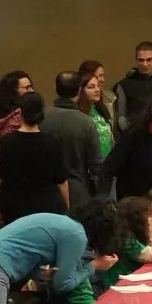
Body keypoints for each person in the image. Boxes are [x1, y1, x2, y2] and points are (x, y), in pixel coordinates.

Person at [0, 90, 65, 225]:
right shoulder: (53, 143)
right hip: (48, 208)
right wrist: (66, 207)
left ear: (20, 112)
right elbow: (62, 182)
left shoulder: (5, 142)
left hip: (15, 208)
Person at [41, 70, 106, 204]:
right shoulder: (86, 122)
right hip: (78, 191)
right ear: (79, 90)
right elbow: (96, 165)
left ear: (57, 89)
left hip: (48, 191)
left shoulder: (43, 119)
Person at [110, 41, 152, 134]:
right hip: (137, 135)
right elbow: (121, 117)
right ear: (136, 60)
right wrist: (130, 134)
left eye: (149, 59)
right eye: (141, 60)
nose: (145, 64)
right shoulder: (124, 85)